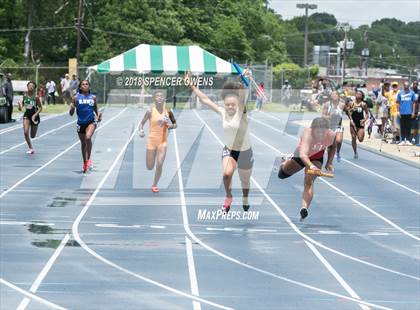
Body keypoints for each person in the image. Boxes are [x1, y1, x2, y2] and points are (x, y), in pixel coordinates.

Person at [187, 72, 253, 213]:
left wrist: (243, 81)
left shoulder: (241, 112)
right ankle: (228, 197)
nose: (230, 107)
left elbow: (242, 98)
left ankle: (245, 198)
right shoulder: (222, 112)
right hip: (230, 150)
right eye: (227, 104)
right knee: (226, 174)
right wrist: (192, 85)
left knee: (245, 182)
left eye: (232, 104)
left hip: (245, 151)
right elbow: (205, 99)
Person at [278, 117, 336, 220]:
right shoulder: (307, 134)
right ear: (313, 130)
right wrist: (312, 167)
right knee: (282, 174)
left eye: (323, 132)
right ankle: (286, 161)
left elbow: (333, 147)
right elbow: (303, 155)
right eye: (318, 132)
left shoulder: (331, 135)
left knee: (309, 180)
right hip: (300, 156)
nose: (321, 135)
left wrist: (329, 162)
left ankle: (304, 208)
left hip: (317, 158)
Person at [138, 90, 177, 193]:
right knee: (150, 167)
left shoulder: (168, 112)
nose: (159, 97)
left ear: (164, 99)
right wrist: (141, 131)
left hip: (162, 142)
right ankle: (152, 160)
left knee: (159, 163)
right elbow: (141, 123)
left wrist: (170, 125)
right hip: (151, 141)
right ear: (155, 99)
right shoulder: (150, 111)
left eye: (161, 96)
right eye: (157, 96)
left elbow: (175, 124)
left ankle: (154, 184)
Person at [69, 80, 102, 173]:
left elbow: (96, 109)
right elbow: (71, 114)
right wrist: (71, 108)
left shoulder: (93, 97)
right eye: (83, 84)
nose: (85, 85)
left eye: (86, 84)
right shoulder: (75, 98)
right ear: (80, 87)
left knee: (88, 138)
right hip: (80, 123)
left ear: (89, 87)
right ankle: (84, 162)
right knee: (83, 144)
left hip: (91, 122)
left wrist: (99, 115)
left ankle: (88, 159)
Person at [17, 81, 42, 154]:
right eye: (30, 86)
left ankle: (34, 125)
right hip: (27, 116)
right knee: (25, 132)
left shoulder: (36, 97)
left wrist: (35, 115)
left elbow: (40, 108)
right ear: (27, 87)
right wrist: (19, 106)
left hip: (35, 117)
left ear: (34, 88)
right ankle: (31, 148)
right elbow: (21, 108)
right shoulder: (24, 96)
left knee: (32, 136)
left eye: (32, 86)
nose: (31, 87)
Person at [322, 90, 346, 162]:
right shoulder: (327, 104)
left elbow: (349, 111)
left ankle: (338, 152)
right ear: (330, 96)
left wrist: (351, 119)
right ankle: (329, 160)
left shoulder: (342, 105)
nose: (334, 96)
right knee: (330, 145)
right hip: (329, 127)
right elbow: (322, 115)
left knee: (338, 141)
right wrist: (328, 117)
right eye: (332, 95)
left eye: (336, 94)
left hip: (338, 126)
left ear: (338, 96)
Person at [347, 90, 369, 159]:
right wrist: (351, 120)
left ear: (362, 96)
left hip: (360, 123)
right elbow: (349, 112)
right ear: (355, 95)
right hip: (353, 123)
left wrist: (364, 120)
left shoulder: (363, 104)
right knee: (353, 137)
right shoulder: (351, 103)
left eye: (360, 94)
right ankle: (355, 152)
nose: (358, 95)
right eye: (357, 94)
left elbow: (367, 114)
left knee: (360, 139)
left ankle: (361, 133)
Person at [396, 81, 416, 146]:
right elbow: (398, 102)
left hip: (409, 112)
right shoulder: (400, 93)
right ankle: (402, 140)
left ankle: (407, 140)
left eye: (407, 86)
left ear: (409, 86)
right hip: (402, 112)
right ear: (403, 86)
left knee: (408, 127)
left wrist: (413, 112)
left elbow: (414, 103)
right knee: (402, 126)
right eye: (405, 86)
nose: (406, 87)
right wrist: (398, 111)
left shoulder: (412, 93)